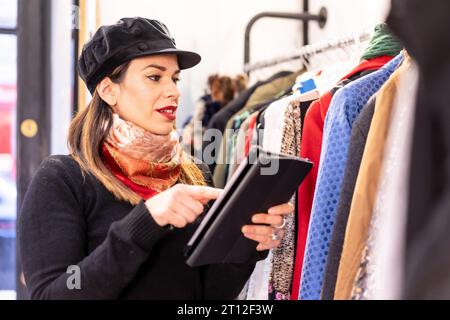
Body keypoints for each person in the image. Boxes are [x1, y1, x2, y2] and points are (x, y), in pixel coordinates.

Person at [18, 17, 292, 300]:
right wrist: (146, 221)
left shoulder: (193, 174)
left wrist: (244, 245)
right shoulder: (64, 179)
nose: (173, 90)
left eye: (174, 78)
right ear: (108, 89)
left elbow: (207, 295)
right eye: (154, 77)